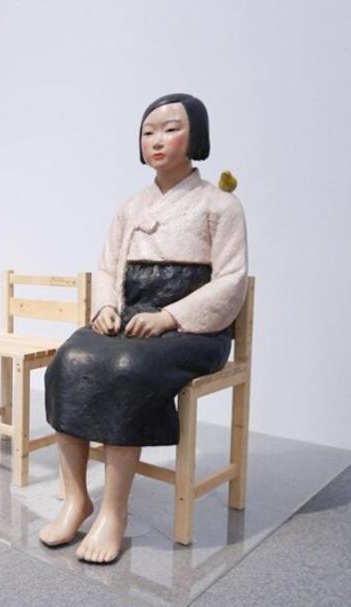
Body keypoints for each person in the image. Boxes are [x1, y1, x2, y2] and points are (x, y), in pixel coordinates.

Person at [39, 93, 248, 564]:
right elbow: (107, 268)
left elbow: (231, 282)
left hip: (194, 330)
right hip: (132, 319)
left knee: (127, 369)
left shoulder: (220, 204)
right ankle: (77, 500)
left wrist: (171, 316)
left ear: (197, 134)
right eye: (148, 131)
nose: (157, 140)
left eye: (170, 128)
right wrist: (106, 308)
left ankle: (114, 512)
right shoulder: (130, 206)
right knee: (69, 359)